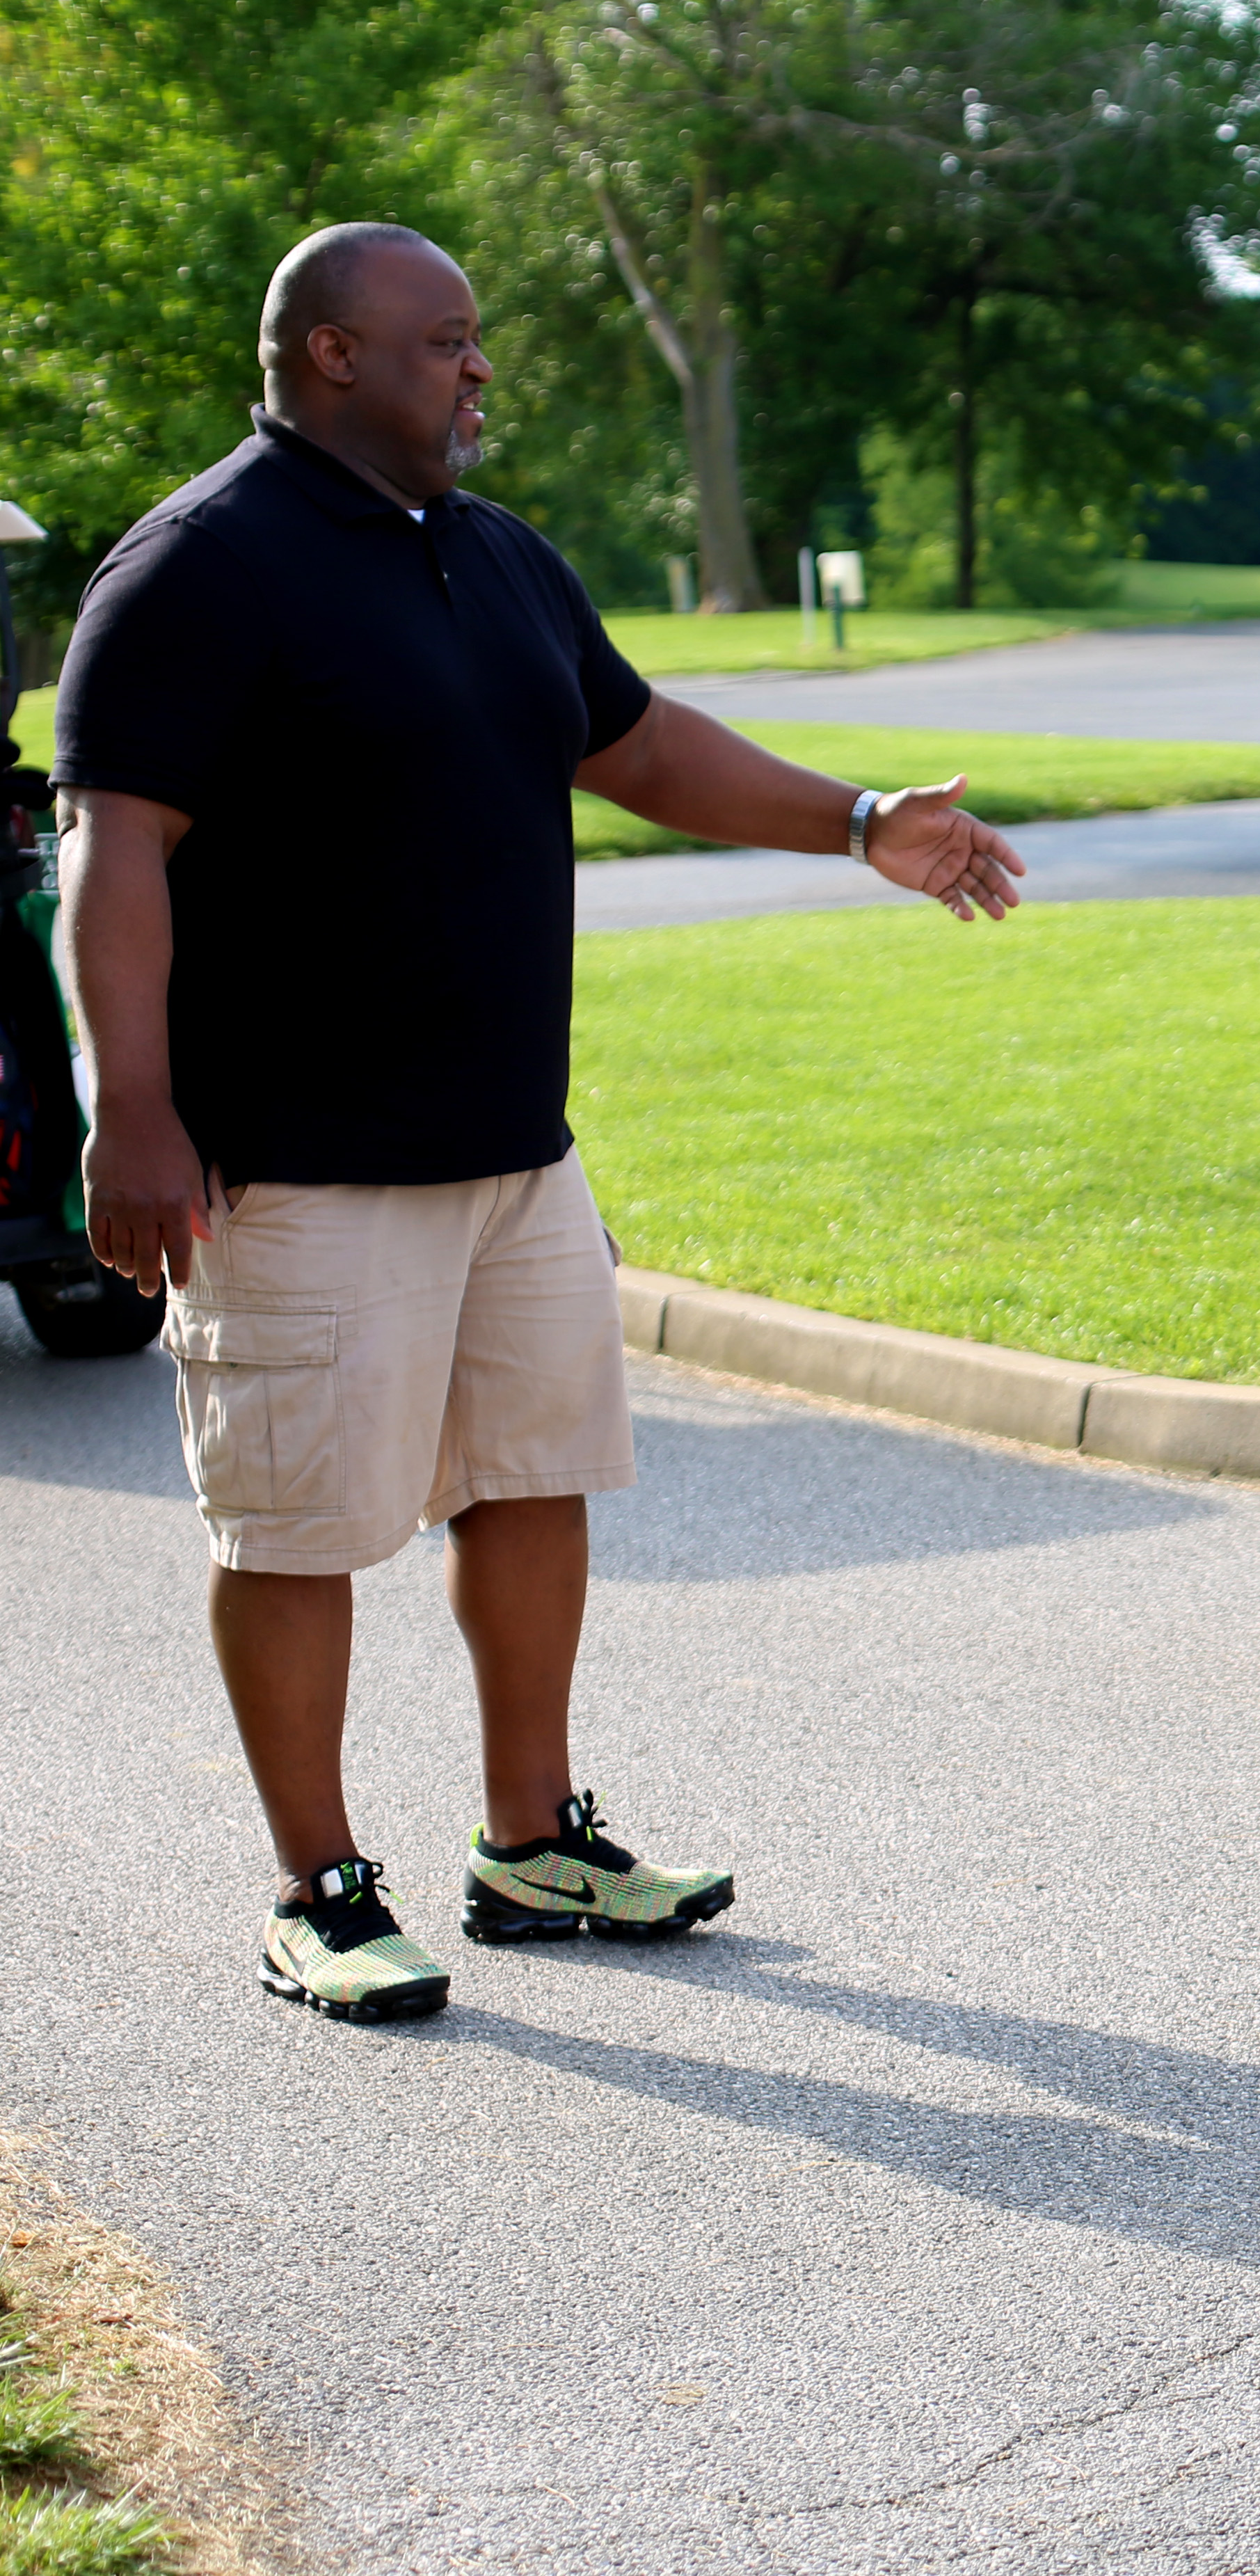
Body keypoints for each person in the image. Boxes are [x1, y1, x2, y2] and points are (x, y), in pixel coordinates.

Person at [52, 223, 1025, 2025]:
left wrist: (862, 814)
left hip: (510, 1146)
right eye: (447, 340)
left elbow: (640, 744)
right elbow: (113, 854)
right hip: (299, 1160)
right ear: (332, 355)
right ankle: (320, 1885)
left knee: (531, 1481)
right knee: (293, 1523)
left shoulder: (491, 557)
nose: (479, 368)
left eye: (476, 341)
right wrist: (135, 1112)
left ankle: (531, 1840)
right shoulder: (200, 567)